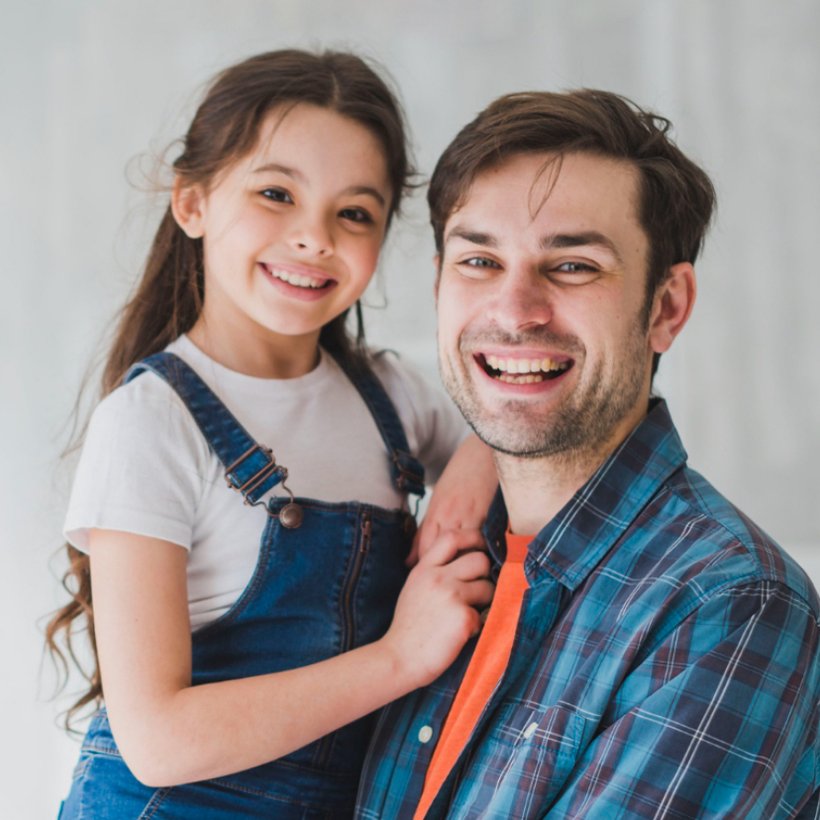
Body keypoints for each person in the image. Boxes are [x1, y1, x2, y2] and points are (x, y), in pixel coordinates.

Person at [46, 49, 497, 818]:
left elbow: (510, 430)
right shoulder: (150, 424)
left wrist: (466, 475)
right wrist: (399, 657)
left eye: (353, 212)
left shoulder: (391, 397)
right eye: (276, 193)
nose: (314, 237)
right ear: (192, 203)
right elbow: (157, 739)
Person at [356, 89, 820, 818]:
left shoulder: (728, 605)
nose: (514, 310)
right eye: (479, 260)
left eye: (572, 267)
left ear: (665, 307)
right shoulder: (421, 563)